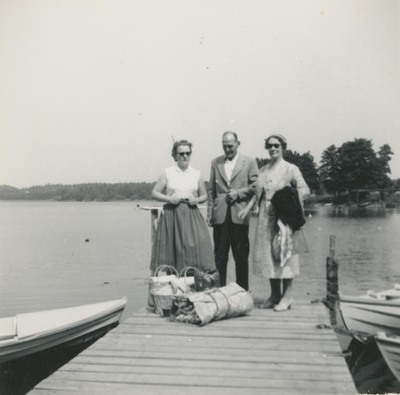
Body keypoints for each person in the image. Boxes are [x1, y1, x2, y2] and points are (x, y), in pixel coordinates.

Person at [238, 134, 309, 311]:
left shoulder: (290, 168)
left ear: (283, 147)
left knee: (286, 256)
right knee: (269, 257)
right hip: (265, 219)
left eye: (276, 145)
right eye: (269, 146)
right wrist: (247, 209)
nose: (272, 148)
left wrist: (290, 199)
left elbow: (304, 188)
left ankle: (287, 296)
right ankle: (275, 294)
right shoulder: (263, 170)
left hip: (284, 219)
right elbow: (257, 194)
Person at [149, 139, 215, 273]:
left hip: (191, 214)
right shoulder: (167, 172)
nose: (185, 156)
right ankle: (174, 286)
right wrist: (169, 198)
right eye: (181, 153)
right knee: (172, 252)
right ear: (175, 156)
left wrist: (196, 200)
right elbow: (154, 192)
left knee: (197, 249)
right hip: (172, 215)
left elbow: (204, 196)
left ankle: (193, 283)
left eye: (187, 153)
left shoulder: (197, 173)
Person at [207, 131, 258, 291]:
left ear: (238, 143)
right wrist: (210, 214)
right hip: (220, 216)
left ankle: (242, 293)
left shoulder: (249, 162)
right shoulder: (215, 162)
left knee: (241, 256)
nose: (227, 149)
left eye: (230, 146)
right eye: (224, 146)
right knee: (220, 257)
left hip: (240, 215)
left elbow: (256, 187)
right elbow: (211, 191)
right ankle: (218, 292)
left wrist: (239, 193)